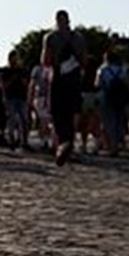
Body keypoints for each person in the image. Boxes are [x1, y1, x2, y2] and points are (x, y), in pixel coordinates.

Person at [42, 10, 86, 166]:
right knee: (73, 112)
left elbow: (46, 61)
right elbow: (84, 61)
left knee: (57, 113)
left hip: (58, 79)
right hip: (74, 80)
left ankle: (62, 144)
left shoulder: (50, 37)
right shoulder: (79, 38)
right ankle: (70, 143)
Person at [97, 50, 129, 157]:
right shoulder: (123, 70)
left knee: (109, 121)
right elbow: (127, 83)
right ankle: (118, 144)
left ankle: (111, 147)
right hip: (120, 98)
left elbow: (98, 83)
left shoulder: (103, 69)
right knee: (119, 121)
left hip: (107, 96)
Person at [0, 50, 30, 150]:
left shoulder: (22, 70)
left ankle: (24, 141)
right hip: (10, 97)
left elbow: (26, 84)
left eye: (16, 58)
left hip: (22, 97)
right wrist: (13, 78)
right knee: (11, 120)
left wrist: (22, 79)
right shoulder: (6, 71)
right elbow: (4, 86)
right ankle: (11, 140)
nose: (15, 60)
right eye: (13, 58)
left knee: (24, 120)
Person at [28, 58, 53, 149]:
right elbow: (32, 84)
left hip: (51, 97)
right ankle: (44, 141)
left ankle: (48, 140)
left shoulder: (53, 68)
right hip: (41, 97)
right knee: (43, 120)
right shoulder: (38, 69)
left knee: (49, 121)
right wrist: (30, 97)